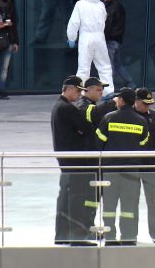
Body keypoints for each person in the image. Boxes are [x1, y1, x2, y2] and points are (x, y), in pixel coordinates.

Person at [96, 87, 150, 246]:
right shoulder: (142, 121)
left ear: (121, 101)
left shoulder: (109, 118)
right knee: (129, 205)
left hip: (110, 169)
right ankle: (128, 236)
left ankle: (110, 236)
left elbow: (99, 141)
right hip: (132, 170)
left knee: (109, 205)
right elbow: (143, 144)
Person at [51, 75, 92, 246]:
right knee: (77, 198)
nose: (79, 95)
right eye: (77, 91)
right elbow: (86, 128)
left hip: (65, 159)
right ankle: (76, 237)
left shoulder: (57, 106)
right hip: (75, 160)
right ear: (67, 89)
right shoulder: (68, 108)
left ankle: (62, 235)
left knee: (65, 197)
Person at [134, 88, 155, 243]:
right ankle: (130, 233)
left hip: (152, 165)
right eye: (144, 104)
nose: (148, 107)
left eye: (149, 104)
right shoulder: (129, 117)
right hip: (133, 165)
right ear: (136, 101)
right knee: (131, 201)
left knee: (153, 201)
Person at [67, 0, 114, 90]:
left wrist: (71, 38)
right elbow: (104, 18)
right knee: (104, 66)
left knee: (84, 67)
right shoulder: (100, 5)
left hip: (86, 37)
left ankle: (81, 92)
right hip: (99, 37)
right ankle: (109, 91)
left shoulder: (80, 4)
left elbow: (74, 22)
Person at [101, 0, 135, 89]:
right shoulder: (117, 6)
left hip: (111, 40)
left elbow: (108, 25)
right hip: (116, 40)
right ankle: (130, 83)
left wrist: (104, 37)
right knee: (117, 65)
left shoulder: (112, 8)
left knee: (110, 65)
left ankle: (109, 88)